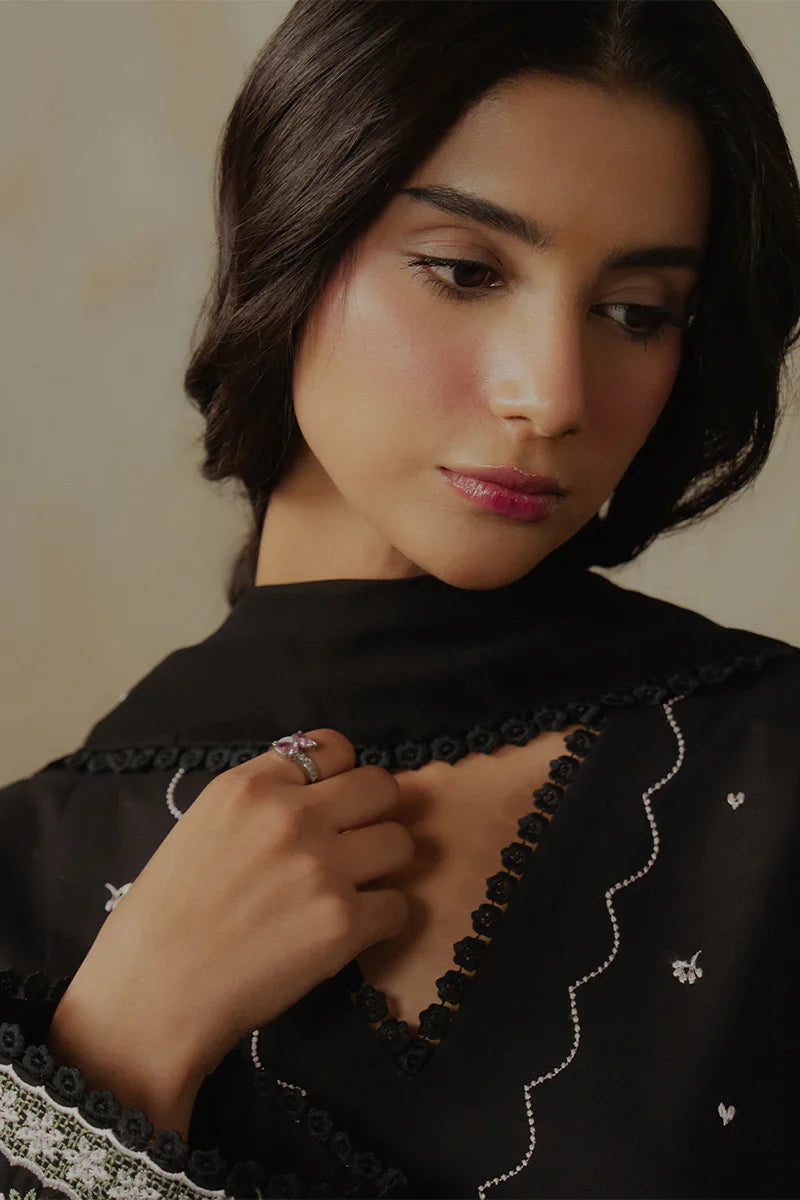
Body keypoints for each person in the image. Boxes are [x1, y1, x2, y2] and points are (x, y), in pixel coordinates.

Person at [1, 1, 799, 1197]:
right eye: (465, 271)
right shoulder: (22, 883)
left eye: (634, 312)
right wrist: (123, 1047)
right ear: (291, 234)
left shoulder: (769, 768)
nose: (551, 395)